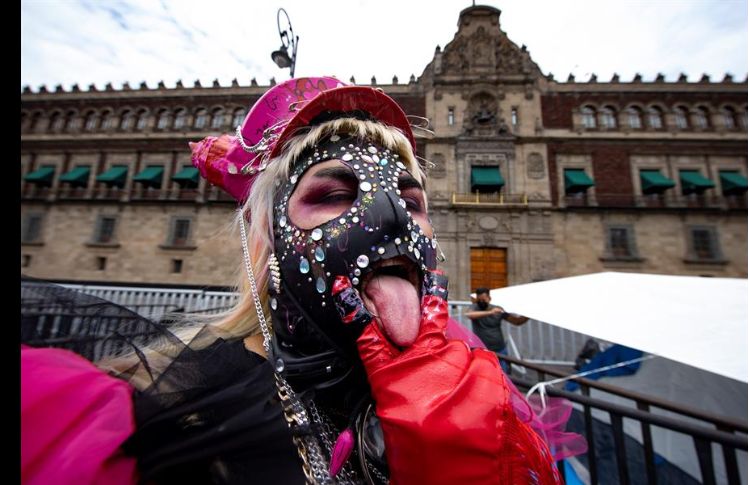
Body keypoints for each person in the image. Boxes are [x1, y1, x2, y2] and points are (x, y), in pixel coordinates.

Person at [21, 77, 572, 484]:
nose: (392, 219)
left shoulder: (475, 400)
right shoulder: (152, 424)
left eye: (411, 202)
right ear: (266, 238)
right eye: (331, 195)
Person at [466, 287, 530, 374]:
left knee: (504, 374)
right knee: (484, 374)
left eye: (483, 299)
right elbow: (469, 314)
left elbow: (517, 321)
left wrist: (529, 315)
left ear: (489, 298)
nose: (481, 302)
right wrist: (490, 312)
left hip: (500, 349)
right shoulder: (475, 307)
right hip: (482, 349)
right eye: (479, 299)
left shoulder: (498, 309)